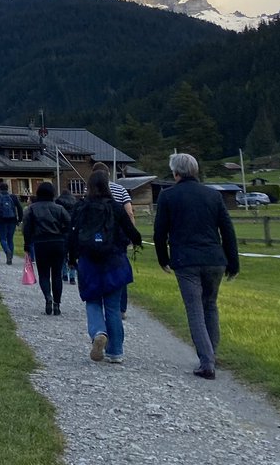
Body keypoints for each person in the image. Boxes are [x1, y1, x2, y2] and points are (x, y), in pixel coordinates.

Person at [153, 152, 239, 380]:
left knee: (194, 309)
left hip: (186, 261)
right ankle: (212, 353)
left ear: (175, 172)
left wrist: (163, 258)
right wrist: (233, 261)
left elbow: (160, 232)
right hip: (214, 259)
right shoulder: (213, 195)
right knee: (210, 305)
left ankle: (206, 362)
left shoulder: (168, 196)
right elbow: (227, 229)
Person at [68, 170, 142, 364]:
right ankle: (116, 352)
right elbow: (133, 232)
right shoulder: (115, 208)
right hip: (114, 263)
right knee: (113, 307)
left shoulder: (80, 207)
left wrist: (71, 257)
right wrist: (134, 243)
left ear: (89, 186)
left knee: (92, 302)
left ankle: (98, 332)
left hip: (89, 263)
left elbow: (72, 235)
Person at [93, 161, 136, 318]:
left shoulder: (90, 189)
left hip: (98, 238)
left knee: (98, 268)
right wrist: (131, 234)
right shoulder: (121, 189)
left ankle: (103, 301)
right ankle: (121, 308)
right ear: (109, 174)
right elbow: (129, 213)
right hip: (118, 237)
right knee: (120, 269)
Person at [22, 182, 72, 315]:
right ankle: (57, 303)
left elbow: (26, 228)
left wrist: (27, 244)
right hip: (58, 243)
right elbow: (68, 225)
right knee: (56, 274)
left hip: (41, 243)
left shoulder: (32, 209)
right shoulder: (59, 208)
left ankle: (47, 298)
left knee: (43, 274)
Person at [0, 181, 24, 265]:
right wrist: (19, 219)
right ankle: (10, 257)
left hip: (1, 220)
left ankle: (7, 251)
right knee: (10, 239)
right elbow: (19, 208)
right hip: (12, 220)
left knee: (2, 238)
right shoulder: (13, 197)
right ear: (8, 188)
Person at [56, 189, 79, 285]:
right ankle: (73, 277)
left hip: (62, 231)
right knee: (73, 255)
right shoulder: (75, 203)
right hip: (73, 231)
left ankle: (64, 274)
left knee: (62, 255)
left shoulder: (58, 202)